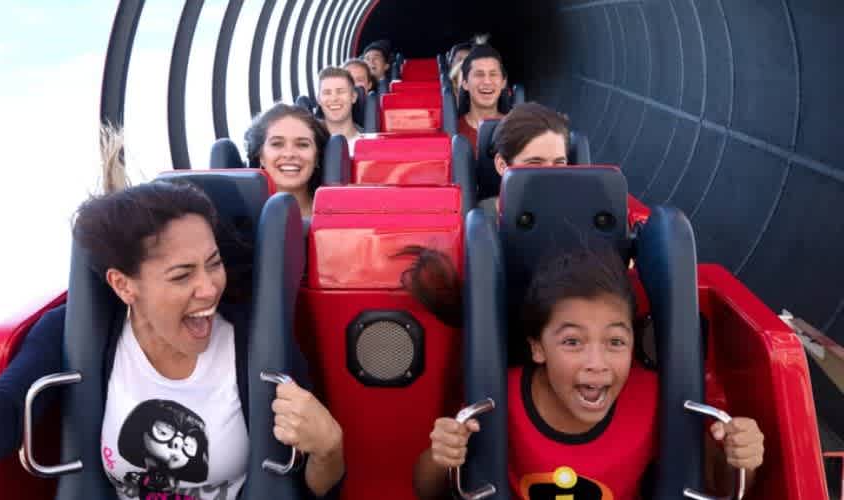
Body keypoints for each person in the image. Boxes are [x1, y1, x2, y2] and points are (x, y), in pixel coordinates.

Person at [0, 127, 344, 500]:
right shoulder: (81, 336)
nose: (210, 287)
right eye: (182, 275)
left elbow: (311, 487)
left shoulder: (255, 339)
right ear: (125, 285)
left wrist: (329, 448)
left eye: (213, 263)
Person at [409, 245, 765, 499]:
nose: (597, 362)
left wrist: (741, 458)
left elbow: (720, 487)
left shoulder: (655, 398)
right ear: (537, 347)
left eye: (615, 342)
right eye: (572, 343)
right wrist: (443, 456)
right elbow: (427, 490)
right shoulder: (497, 395)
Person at [478, 102, 570, 221]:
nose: (550, 176)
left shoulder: (578, 218)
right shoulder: (480, 223)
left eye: (559, 164)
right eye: (535, 163)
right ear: (502, 165)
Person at [245, 104, 329, 218]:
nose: (289, 154)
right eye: (277, 144)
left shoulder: (337, 214)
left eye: (302, 145)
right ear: (261, 156)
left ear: (317, 157)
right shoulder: (241, 219)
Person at [457, 45, 507, 154]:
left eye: (493, 74)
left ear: (503, 82)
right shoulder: (453, 131)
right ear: (465, 83)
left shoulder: (518, 128)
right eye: (479, 75)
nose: (487, 81)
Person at [317, 67, 362, 150]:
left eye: (340, 91)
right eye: (327, 93)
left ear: (353, 97)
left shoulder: (368, 141)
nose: (334, 98)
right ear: (319, 100)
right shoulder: (310, 143)